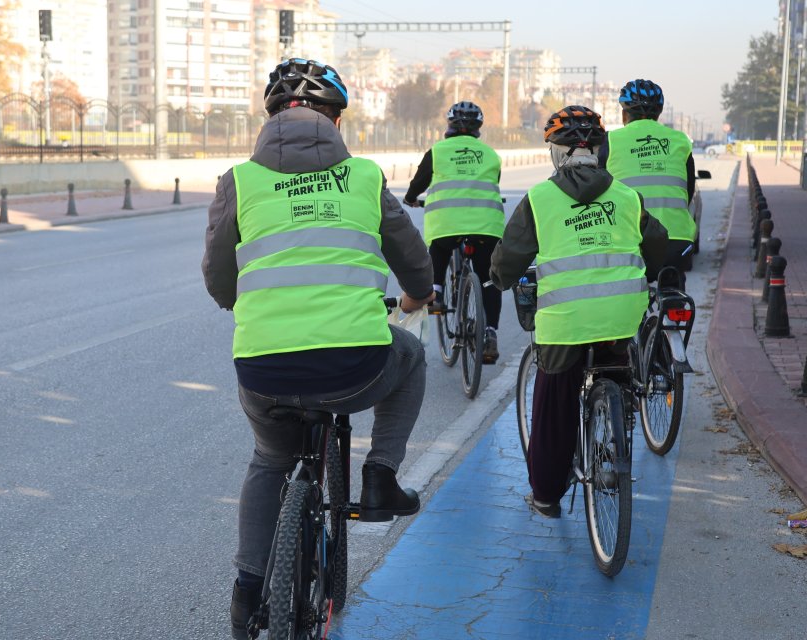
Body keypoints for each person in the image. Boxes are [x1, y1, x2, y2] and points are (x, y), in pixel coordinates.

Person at [201, 58, 435, 639]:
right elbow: (415, 267)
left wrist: (243, 301)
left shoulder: (240, 180)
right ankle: (379, 476)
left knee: (270, 460)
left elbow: (218, 277)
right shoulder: (363, 176)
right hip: (355, 368)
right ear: (333, 119)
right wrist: (417, 296)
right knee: (411, 359)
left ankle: (247, 593)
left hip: (263, 371)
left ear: (271, 118)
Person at [490, 106, 668, 517]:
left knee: (554, 408)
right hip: (622, 318)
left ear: (557, 152)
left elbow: (508, 261)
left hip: (564, 325)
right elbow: (657, 245)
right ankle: (615, 432)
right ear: (599, 151)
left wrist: (499, 279)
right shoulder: (626, 196)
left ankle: (547, 496)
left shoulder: (540, 198)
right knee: (617, 366)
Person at [403, 100, 505, 364]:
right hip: (486, 226)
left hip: (447, 225)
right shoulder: (490, 154)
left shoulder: (438, 152)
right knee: (487, 279)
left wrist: (411, 197)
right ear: (478, 128)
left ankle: (435, 293)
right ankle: (491, 333)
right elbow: (491, 183)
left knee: (439, 248)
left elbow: (419, 183)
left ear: (449, 125)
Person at [600, 79, 696, 288]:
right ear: (659, 114)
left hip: (628, 240)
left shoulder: (610, 141)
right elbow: (687, 193)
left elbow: (599, 191)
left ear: (624, 114)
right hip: (678, 241)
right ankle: (676, 311)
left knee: (626, 294)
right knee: (673, 288)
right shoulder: (680, 141)